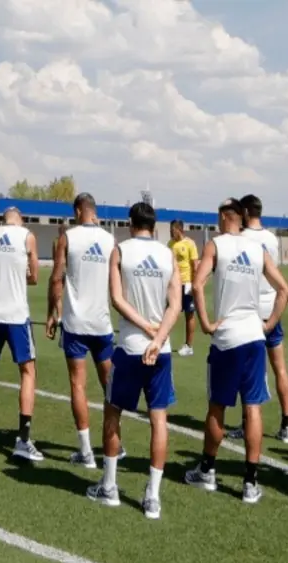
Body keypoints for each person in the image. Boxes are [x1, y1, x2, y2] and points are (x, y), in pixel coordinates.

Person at [184, 198, 288, 505]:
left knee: (217, 407)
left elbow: (198, 282)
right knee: (252, 407)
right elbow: (284, 289)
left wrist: (205, 322)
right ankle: (250, 482)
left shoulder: (215, 245)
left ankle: (207, 471)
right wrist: (269, 324)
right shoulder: (258, 249)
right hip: (254, 337)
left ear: (222, 217)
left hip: (227, 337)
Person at [86, 202, 182, 519]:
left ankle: (109, 486)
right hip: (161, 351)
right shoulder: (168, 255)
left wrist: (144, 330)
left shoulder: (121, 251)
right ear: (154, 225)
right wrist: (157, 339)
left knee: (113, 413)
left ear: (131, 223)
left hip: (129, 347)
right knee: (159, 420)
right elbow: (175, 305)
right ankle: (152, 496)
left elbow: (116, 299)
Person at [46, 193, 125, 468]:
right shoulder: (110, 240)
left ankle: (86, 452)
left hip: (75, 324)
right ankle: (117, 444)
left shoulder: (68, 237)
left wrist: (52, 313)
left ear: (79, 210)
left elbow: (56, 278)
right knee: (110, 384)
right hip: (102, 324)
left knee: (78, 385)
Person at [0, 207, 42, 461]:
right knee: (28, 372)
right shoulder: (26, 236)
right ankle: (23, 439)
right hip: (15, 314)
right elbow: (34, 277)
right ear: (20, 219)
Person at [226, 194, 288, 444]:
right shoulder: (271, 238)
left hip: (251, 311)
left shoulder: (241, 239)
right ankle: (287, 425)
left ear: (244, 211)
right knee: (280, 368)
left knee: (250, 372)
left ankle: (248, 423)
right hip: (272, 307)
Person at [168, 220, 199, 357]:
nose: (170, 232)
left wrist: (194, 283)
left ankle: (189, 346)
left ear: (178, 229)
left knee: (189, 314)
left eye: (172, 230)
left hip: (187, 283)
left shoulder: (189, 243)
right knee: (170, 312)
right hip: (174, 283)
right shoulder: (170, 244)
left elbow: (195, 265)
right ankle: (164, 340)